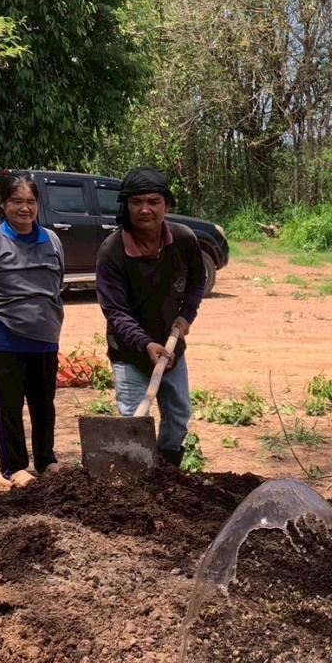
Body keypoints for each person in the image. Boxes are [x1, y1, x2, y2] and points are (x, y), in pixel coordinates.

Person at [95, 167, 205, 467]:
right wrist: (145, 344)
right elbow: (115, 311)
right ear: (126, 207)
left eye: (154, 201)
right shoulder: (112, 251)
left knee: (178, 416)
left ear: (166, 204)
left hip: (172, 349)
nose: (145, 209)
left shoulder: (183, 239)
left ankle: (167, 472)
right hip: (129, 353)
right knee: (133, 421)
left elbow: (197, 280)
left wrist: (186, 316)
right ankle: (137, 479)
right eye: (136, 202)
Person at [0, 173, 65, 487]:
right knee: (8, 405)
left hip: (45, 337)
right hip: (2, 338)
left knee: (43, 404)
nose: (24, 208)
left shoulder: (52, 240)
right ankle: (14, 466)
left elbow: (56, 283)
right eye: (17, 201)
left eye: (31, 201)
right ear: (2, 203)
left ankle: (46, 460)